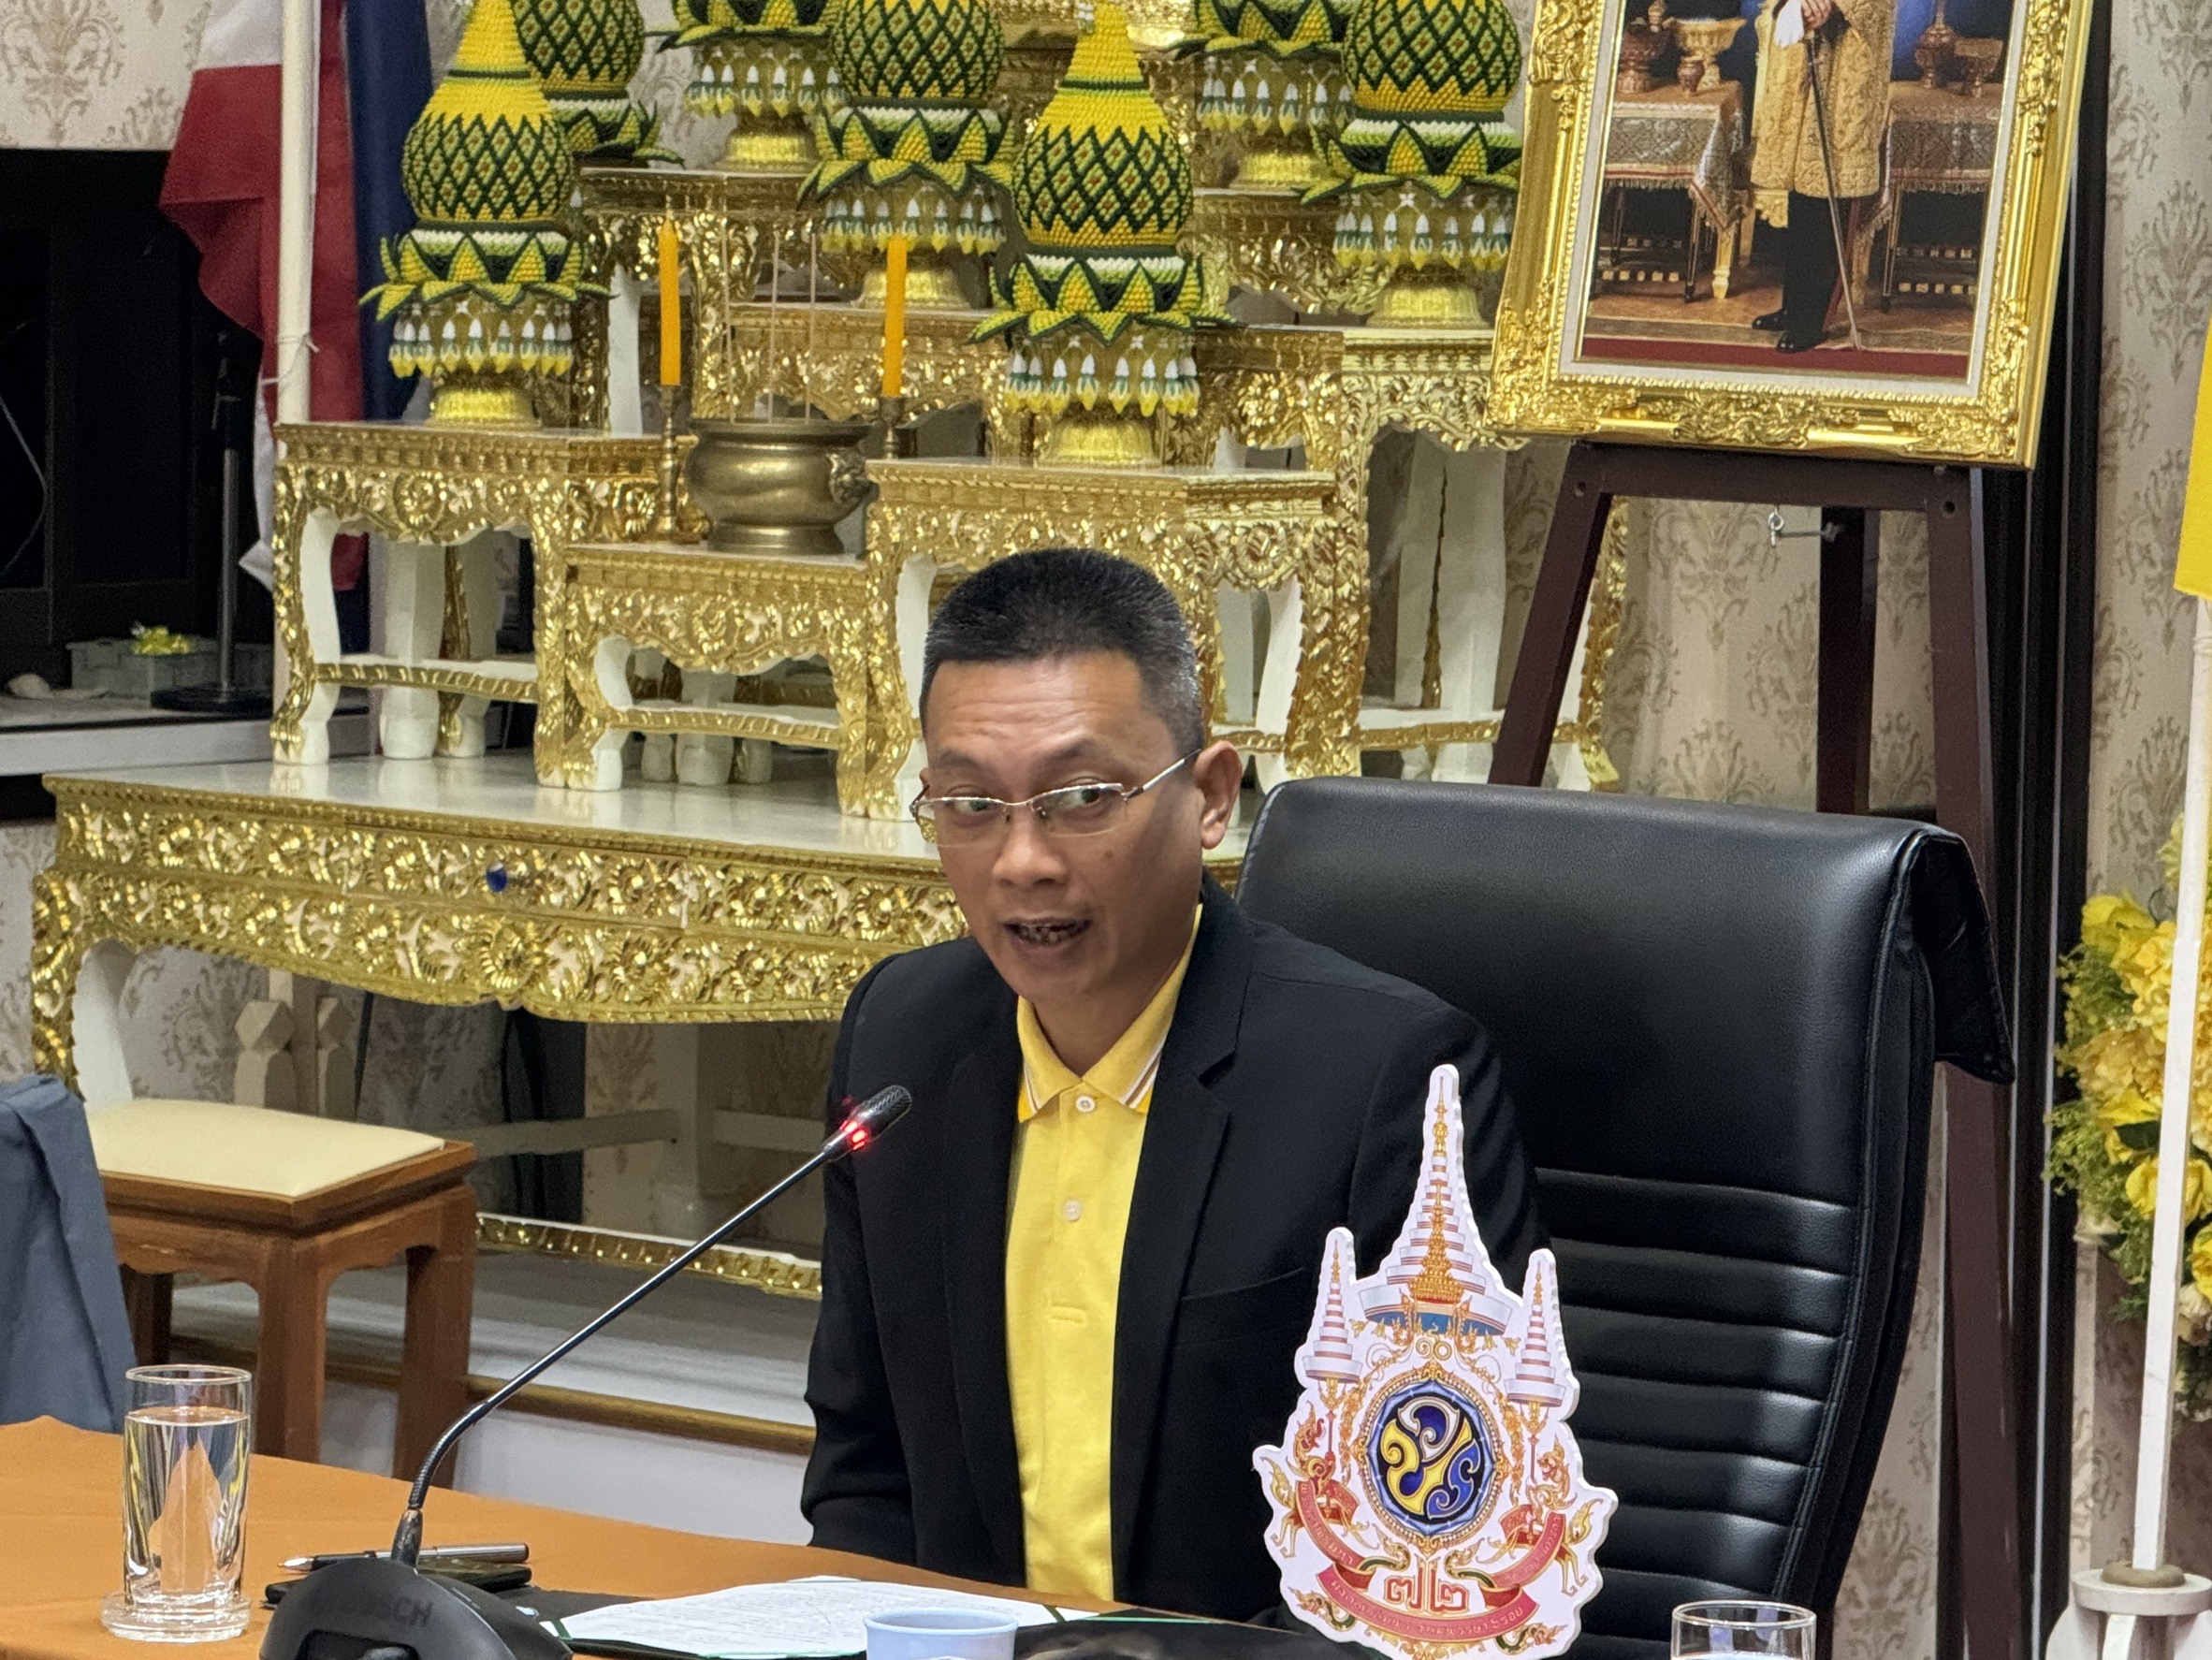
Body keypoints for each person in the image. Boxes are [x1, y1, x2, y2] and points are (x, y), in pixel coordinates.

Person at [800, 547, 1543, 1620]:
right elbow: (865, 1478)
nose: (1021, 860)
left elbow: (1432, 1553)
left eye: (1081, 797)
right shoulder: (902, 1044)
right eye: (970, 803)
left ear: (1210, 796)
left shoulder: (1387, 1086)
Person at [1749, 0, 1895, 352]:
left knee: (1828, 205)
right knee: (1801, 201)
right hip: (1804, 66)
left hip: (1845, 76)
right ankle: (1794, 307)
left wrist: (1832, 3)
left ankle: (1815, 319)